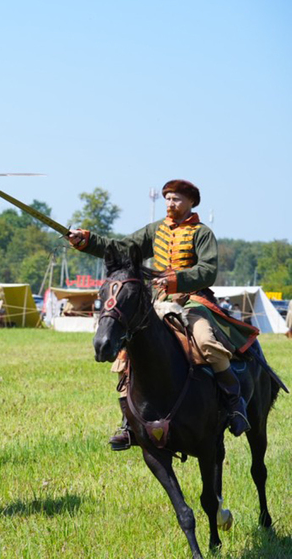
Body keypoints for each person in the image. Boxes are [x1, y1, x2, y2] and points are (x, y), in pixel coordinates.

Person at [68, 179, 254, 448]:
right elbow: (121, 249)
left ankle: (235, 405)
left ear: (191, 202)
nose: (170, 203)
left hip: (192, 299)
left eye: (176, 199)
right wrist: (86, 241)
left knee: (205, 341)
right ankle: (128, 422)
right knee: (125, 351)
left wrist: (176, 280)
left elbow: (207, 270)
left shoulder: (202, 233)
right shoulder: (156, 230)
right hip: (157, 301)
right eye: (167, 199)